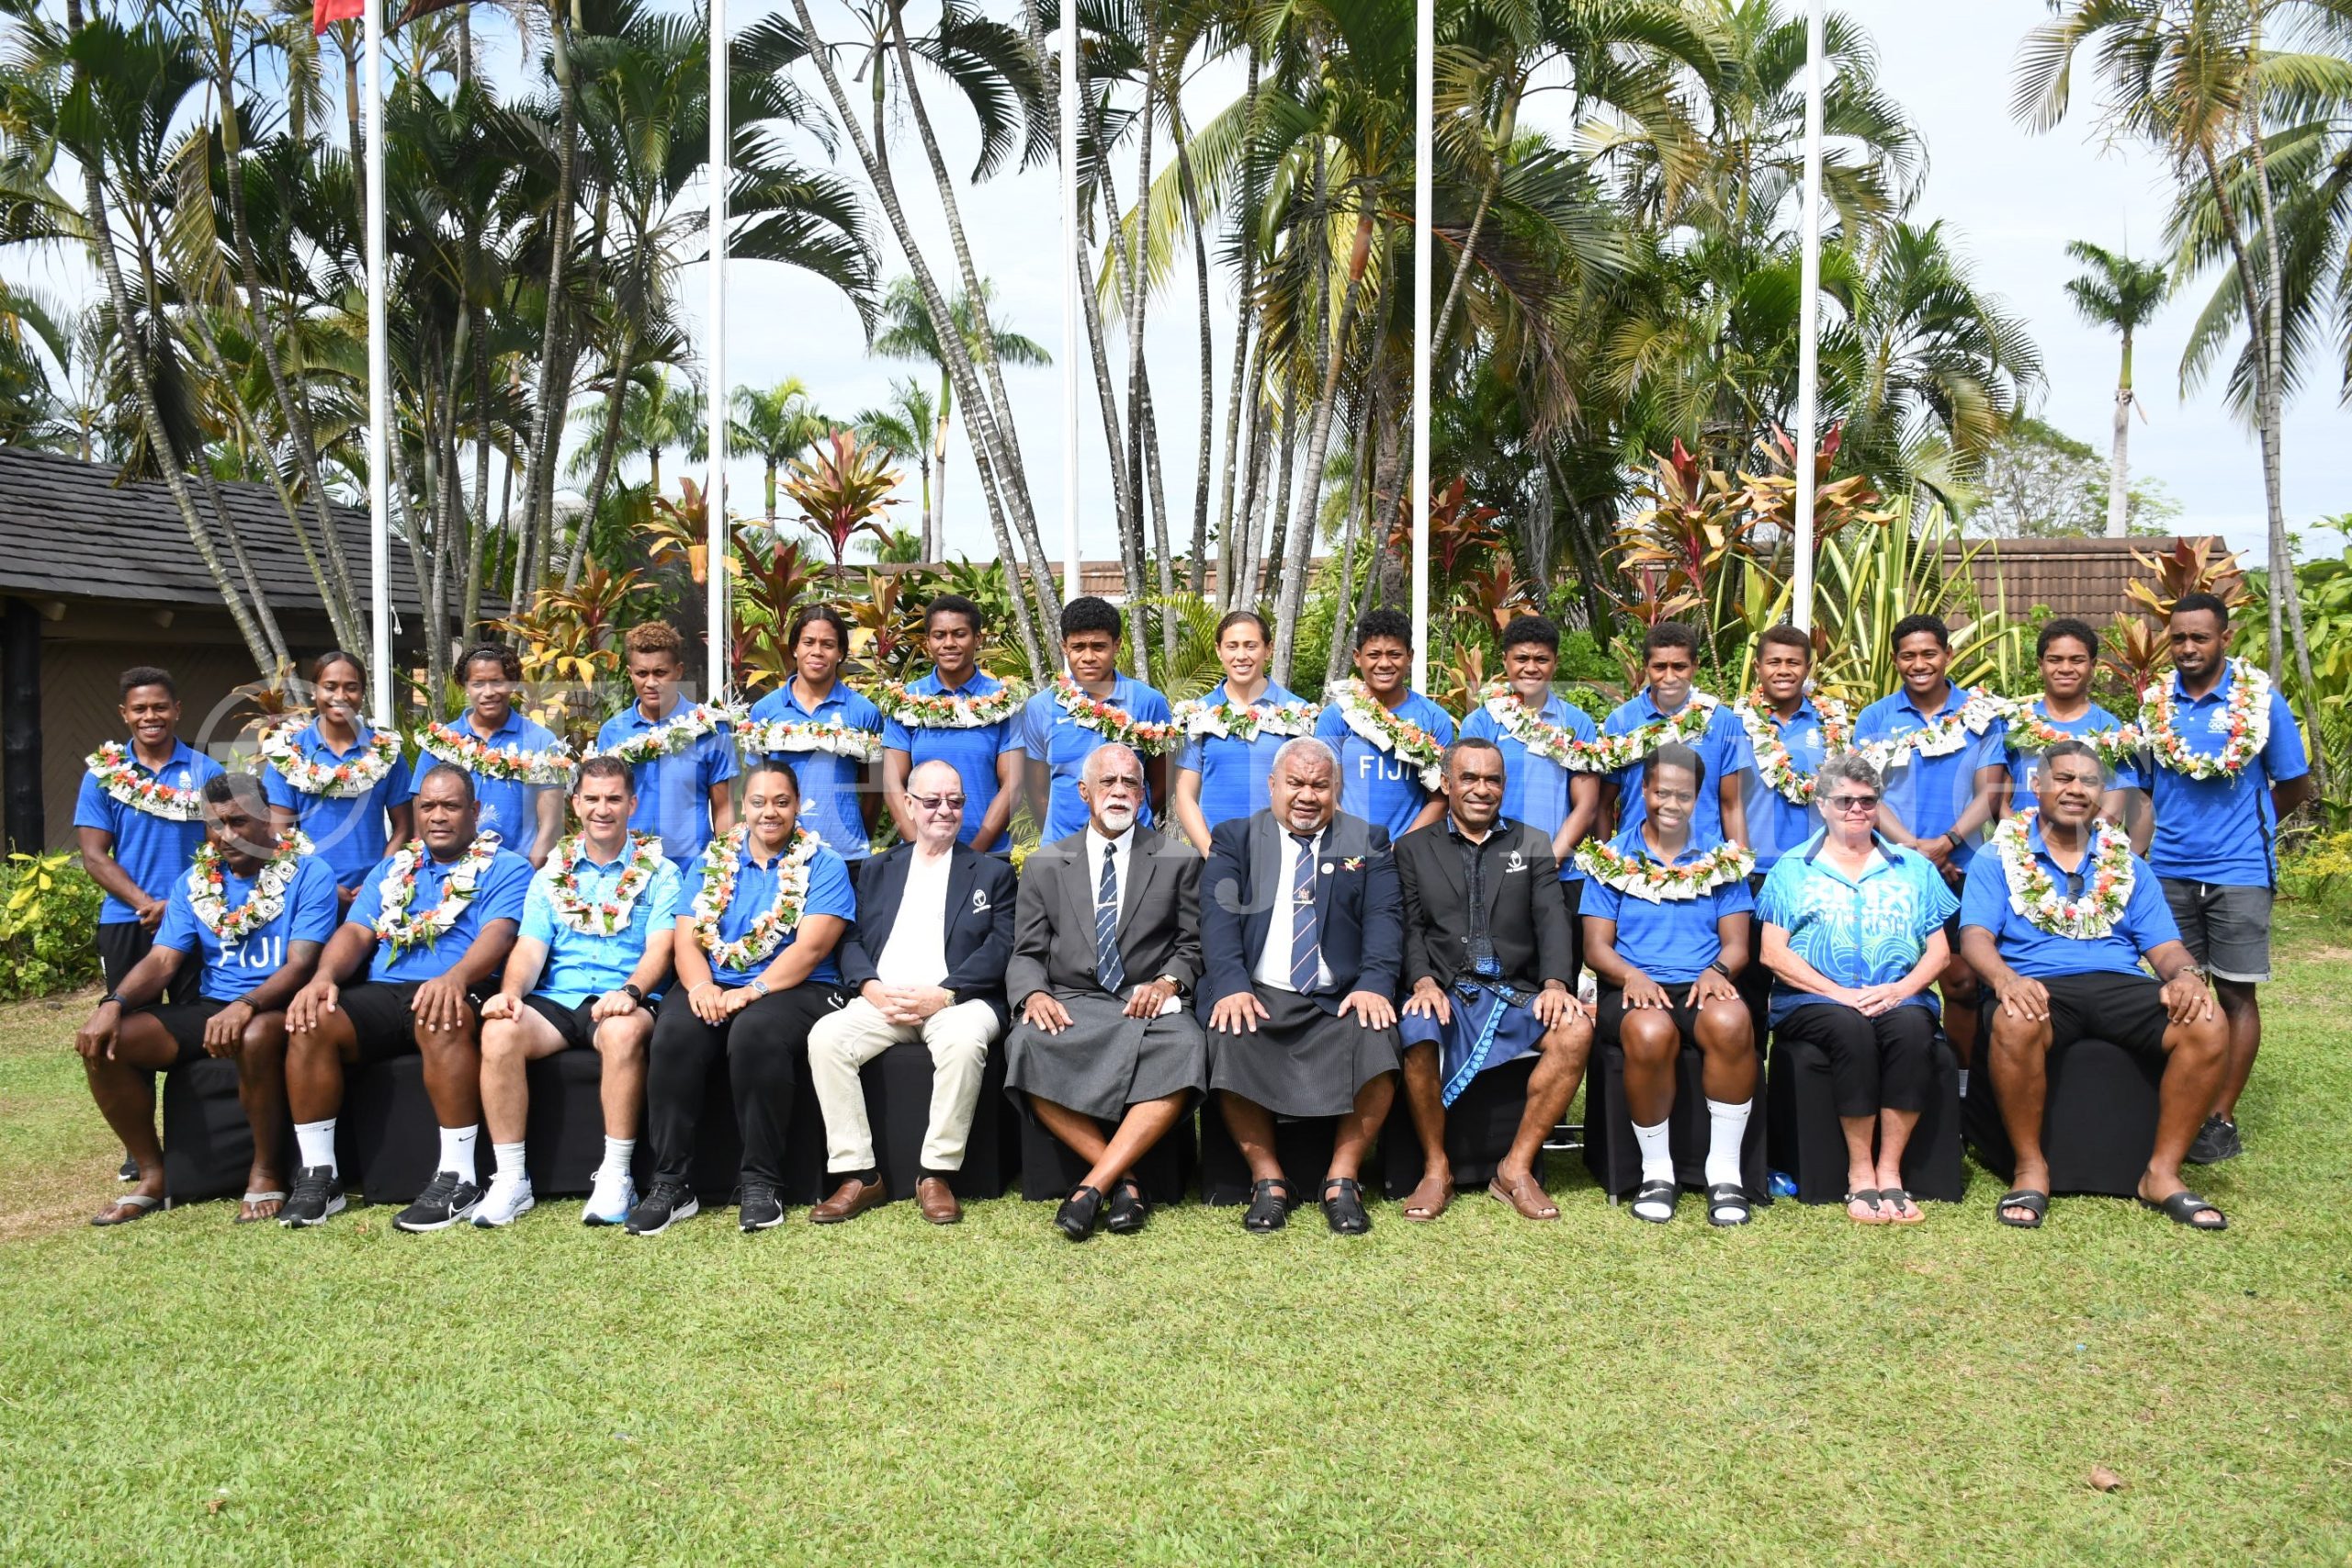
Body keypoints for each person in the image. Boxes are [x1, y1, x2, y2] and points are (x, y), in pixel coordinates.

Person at [1961, 739, 2230, 1232]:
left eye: (2089, 781)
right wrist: (2005, 979)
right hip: (2038, 979)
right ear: (2037, 785)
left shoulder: (2128, 864)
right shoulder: (1996, 856)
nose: (2076, 790)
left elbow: (2165, 946)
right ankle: (2030, 1168)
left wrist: (2187, 976)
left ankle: (2162, 1173)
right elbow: (1975, 936)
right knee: (2016, 1018)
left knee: (2207, 1021)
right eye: (2064, 779)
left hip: (2117, 981)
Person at [74, 773, 338, 1225]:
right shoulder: (195, 881)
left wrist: (247, 1004)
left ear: (266, 818)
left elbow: (300, 965)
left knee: (253, 1035)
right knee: (110, 1042)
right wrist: (113, 1004)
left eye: (237, 821)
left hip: (281, 1005)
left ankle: (266, 1171)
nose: (225, 835)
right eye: (215, 824)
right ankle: (153, 1174)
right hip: (213, 1005)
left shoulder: (311, 873)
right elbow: (162, 961)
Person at [278, 765, 533, 1231]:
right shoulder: (393, 867)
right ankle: (319, 1175)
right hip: (384, 989)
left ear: (475, 811)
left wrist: (455, 977)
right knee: (312, 1019)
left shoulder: (507, 866)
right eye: (428, 806)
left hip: (463, 985)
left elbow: (498, 935)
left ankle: (458, 1178)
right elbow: (356, 931)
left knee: (440, 1012)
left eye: (451, 806)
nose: (438, 816)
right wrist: (323, 977)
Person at [629, 761, 856, 1235]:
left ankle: (761, 1183)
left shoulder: (824, 864)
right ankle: (671, 1183)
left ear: (797, 806)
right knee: (674, 1033)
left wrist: (755, 989)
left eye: (781, 802)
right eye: (758, 802)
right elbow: (687, 940)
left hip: (798, 986)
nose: (769, 812)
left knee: (755, 1031)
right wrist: (700, 988)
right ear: (743, 807)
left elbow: (812, 948)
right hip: (714, 981)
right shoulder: (711, 862)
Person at [1198, 738, 1401, 1235]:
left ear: (1337, 790)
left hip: (1338, 996)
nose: (1307, 796)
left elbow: (1385, 919)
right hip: (1259, 991)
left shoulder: (1368, 840)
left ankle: (1342, 1179)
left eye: (1320, 785)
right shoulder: (1235, 838)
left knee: (1380, 1037)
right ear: (1273, 785)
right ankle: (1268, 1180)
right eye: (1295, 783)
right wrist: (1232, 985)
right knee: (1229, 1032)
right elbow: (1217, 920)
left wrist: (1374, 983)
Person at [803, 760, 1019, 1225]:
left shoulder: (991, 873)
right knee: (826, 1038)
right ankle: (859, 1174)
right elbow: (851, 939)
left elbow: (1002, 946)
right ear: (908, 804)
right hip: (885, 1000)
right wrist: (871, 987)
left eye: (955, 801)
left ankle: (936, 1174)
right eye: (933, 800)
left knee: (964, 1042)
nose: (944, 810)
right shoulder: (877, 869)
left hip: (958, 1002)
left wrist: (944, 994)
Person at [1003, 742, 1204, 1242]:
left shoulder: (1178, 859)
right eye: (1108, 782)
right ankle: (1124, 1180)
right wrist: (1034, 995)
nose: (1119, 791)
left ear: (1143, 792)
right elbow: (1026, 953)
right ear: (1084, 792)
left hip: (1146, 1001)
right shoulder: (1046, 864)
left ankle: (1092, 1187)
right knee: (1026, 1043)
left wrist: (1167, 982)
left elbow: (1193, 945)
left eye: (1130, 782)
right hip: (1073, 1000)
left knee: (1186, 1045)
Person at [2137, 592, 2311, 1165]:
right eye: (2178, 638)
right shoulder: (2155, 705)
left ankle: (2220, 1117)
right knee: (2177, 988)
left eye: (2200, 637)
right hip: (2167, 870)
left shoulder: (2260, 702)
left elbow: (2294, 784)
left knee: (2235, 992)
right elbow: (2143, 789)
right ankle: (2177, 1103)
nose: (2188, 647)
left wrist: (2244, 831)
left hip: (2240, 871)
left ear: (2225, 638)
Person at [1391, 737, 1594, 1224]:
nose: (1482, 789)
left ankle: (1515, 1168)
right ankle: (1436, 1168)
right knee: (1416, 1030)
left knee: (1576, 1031)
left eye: (1492, 780)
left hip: (1514, 990)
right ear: (1447, 784)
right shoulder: (1414, 848)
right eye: (1469, 778)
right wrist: (1422, 982)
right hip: (1445, 988)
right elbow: (1409, 927)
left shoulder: (1532, 842)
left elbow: (1552, 919)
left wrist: (1556, 984)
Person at [473, 758, 681, 1228]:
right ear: (576, 805)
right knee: (499, 1032)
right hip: (559, 997)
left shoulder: (662, 872)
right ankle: (511, 1179)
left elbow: (661, 948)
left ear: (632, 804)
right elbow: (530, 946)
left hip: (623, 996)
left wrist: (631, 990)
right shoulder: (550, 873)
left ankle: (616, 1175)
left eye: (613, 799)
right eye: (592, 799)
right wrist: (511, 993)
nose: (602, 809)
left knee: (622, 1032)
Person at [1756, 751, 1957, 1225]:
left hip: (1897, 994)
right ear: (1822, 805)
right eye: (1844, 800)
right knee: (1851, 1029)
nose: (1856, 810)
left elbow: (1940, 953)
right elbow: (1772, 953)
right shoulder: (1792, 867)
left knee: (1912, 1030)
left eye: (1867, 801)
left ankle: (1891, 1171)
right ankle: (1860, 1171)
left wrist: (1900, 990)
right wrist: (1838, 993)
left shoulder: (1913, 867)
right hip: (1812, 998)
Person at [1578, 743, 1759, 1225]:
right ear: (1643, 790)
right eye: (1662, 792)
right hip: (1632, 983)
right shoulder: (1610, 858)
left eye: (1683, 795)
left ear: (1698, 797)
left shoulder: (1721, 860)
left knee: (1732, 1021)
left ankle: (1725, 1172)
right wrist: (1631, 975)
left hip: (1702, 980)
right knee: (1650, 1031)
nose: (1671, 804)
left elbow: (1737, 945)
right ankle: (1657, 1173)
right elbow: (1596, 947)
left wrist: (1717, 971)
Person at [1852, 613, 2008, 1081]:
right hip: (1893, 866)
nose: (1919, 664)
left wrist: (1949, 842)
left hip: (1963, 867)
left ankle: (1961, 1086)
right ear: (1895, 660)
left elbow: (1990, 790)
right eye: (1908, 655)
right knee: (1886, 975)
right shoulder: (1876, 717)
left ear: (1948, 655)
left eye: (1928, 653)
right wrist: (1915, 851)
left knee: (1962, 981)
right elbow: (1867, 794)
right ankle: (1887, 1078)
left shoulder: (1980, 716)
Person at [1457, 615, 1602, 990]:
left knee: (1557, 981)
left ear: (1555, 663)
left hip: (1561, 872)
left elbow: (1587, 804)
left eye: (1541, 659)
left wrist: (1551, 858)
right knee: (1497, 980)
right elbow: (1467, 798)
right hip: (1493, 869)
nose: (1531, 668)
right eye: (1522, 658)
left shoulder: (1576, 724)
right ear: (1505, 661)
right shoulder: (1481, 723)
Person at [76, 665, 226, 1009]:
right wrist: (146, 904)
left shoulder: (207, 771)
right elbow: (94, 857)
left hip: (196, 915)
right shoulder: (103, 775)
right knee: (128, 1021)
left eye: (160, 707)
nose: (150, 717)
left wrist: (176, 906)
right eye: (139, 709)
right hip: (128, 918)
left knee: (197, 1020)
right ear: (124, 713)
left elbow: (221, 847)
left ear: (177, 709)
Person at [262, 650, 414, 906]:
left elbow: (405, 828)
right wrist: (320, 885)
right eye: (330, 687)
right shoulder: (287, 752)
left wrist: (380, 880)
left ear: (362, 693)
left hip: (376, 893)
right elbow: (278, 831)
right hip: (307, 892)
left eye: (351, 688)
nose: (341, 696)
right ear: (314, 691)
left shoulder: (386, 753)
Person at [877, 592, 1026, 853]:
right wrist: (922, 851)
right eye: (939, 635)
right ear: (928, 642)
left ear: (977, 639)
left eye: (959, 634)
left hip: (988, 855)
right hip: (919, 855)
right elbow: (892, 784)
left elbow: (1013, 784)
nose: (949, 643)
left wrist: (973, 856)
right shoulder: (905, 700)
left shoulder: (1005, 701)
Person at [1021, 596, 1176, 843]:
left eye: (1099, 646)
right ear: (1064, 647)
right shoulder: (1041, 707)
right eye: (1078, 647)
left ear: (1117, 645)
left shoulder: (1148, 702)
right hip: (1062, 847)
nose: (1088, 657)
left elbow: (1163, 780)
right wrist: (1063, 843)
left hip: (1133, 845)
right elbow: (1037, 791)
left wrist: (1129, 819)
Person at [741, 604, 884, 863]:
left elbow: (874, 791)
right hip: (780, 852)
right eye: (808, 642)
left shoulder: (864, 713)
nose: (817, 651)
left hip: (845, 855)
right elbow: (755, 788)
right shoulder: (765, 710)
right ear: (795, 648)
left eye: (828, 644)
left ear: (840, 653)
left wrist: (854, 835)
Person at [593, 621, 737, 874]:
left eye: (660, 673)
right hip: (628, 871)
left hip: (692, 872)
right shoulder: (612, 732)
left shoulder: (708, 728)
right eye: (642, 673)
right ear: (630, 673)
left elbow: (723, 807)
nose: (651, 682)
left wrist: (723, 869)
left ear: (678, 671)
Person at [1171, 610, 1321, 852]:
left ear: (1268, 649)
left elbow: (1313, 790)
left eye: (1251, 646)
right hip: (1218, 853)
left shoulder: (1297, 713)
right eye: (1232, 646)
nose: (1241, 656)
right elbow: (1184, 796)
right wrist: (1212, 854)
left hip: (1284, 853)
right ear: (1219, 650)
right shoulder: (1198, 715)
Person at [416, 643, 571, 866]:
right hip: (449, 872)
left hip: (519, 871)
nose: (488, 692)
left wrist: (527, 874)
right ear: (465, 686)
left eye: (497, 682)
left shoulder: (542, 742)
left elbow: (551, 824)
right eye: (478, 683)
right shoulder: (439, 742)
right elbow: (421, 819)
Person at [1600, 621, 1749, 848]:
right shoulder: (1620, 721)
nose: (1669, 677)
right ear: (1646, 667)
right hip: (1635, 860)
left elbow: (1732, 805)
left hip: (1705, 859)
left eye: (1679, 667)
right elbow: (1603, 805)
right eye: (1660, 667)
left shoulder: (1722, 721)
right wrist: (1604, 861)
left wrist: (1740, 863)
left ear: (1695, 666)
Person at [1315, 608, 1454, 840]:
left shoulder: (1434, 718)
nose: (1384, 664)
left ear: (1410, 656)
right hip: (1346, 845)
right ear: (1357, 657)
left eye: (1394, 654)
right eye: (1374, 655)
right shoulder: (1336, 716)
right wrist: (1358, 844)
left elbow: (1441, 798)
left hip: (1411, 850)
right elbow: (1325, 790)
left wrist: (1401, 848)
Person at [1731, 624, 1850, 878]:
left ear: (1808, 668)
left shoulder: (1831, 723)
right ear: (1757, 667)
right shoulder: (1735, 723)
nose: (1783, 670)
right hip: (1753, 870)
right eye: (1774, 662)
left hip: (1818, 868)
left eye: (1793, 663)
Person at [1999, 618, 2142, 824]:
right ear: (2041, 665)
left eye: (2077, 660)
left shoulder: (2109, 730)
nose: (2065, 668)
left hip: (2086, 842)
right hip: (2020, 841)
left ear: (2092, 665)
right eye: (2055, 660)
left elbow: (2114, 807)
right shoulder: (2014, 724)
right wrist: (2021, 836)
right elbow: (1998, 799)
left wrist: (2083, 840)